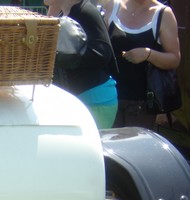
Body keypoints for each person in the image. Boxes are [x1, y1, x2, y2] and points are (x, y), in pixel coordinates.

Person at [99, 0, 180, 128]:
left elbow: (174, 59)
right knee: (108, 146)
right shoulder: (112, 7)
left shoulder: (163, 14)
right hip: (109, 99)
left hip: (141, 105)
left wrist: (148, 54)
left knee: (132, 146)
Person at [45, 0, 118, 129]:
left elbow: (103, 52)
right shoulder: (65, 13)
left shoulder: (85, 12)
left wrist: (59, 57)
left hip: (95, 100)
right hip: (79, 98)